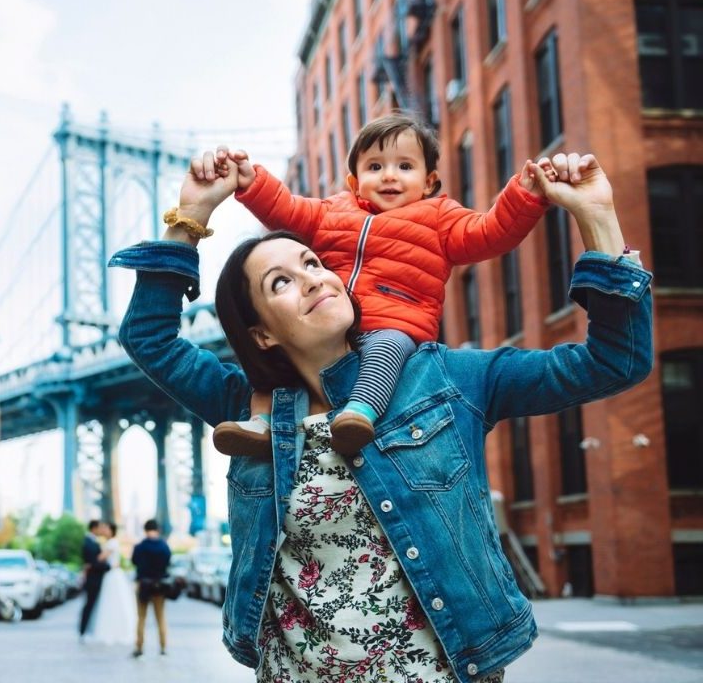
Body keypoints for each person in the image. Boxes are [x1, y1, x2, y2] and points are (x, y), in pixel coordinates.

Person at [109, 149, 652, 682]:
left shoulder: (445, 380)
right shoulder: (245, 411)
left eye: (313, 264)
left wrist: (598, 218)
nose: (313, 279)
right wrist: (191, 215)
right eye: (281, 283)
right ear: (262, 334)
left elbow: (614, 362)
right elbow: (149, 338)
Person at [211, 113, 550, 458]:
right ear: (355, 181)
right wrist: (253, 183)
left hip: (395, 323)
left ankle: (359, 413)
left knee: (385, 348)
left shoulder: (440, 218)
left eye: (405, 166)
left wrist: (524, 196)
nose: (389, 175)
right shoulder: (333, 211)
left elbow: (490, 232)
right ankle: (260, 424)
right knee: (280, 366)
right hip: (336, 325)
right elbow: (287, 209)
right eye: (375, 167)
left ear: (429, 181)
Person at [85, 522, 137, 646]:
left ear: (111, 530)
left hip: (112, 575)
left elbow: (100, 558)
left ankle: (114, 631)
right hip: (110, 574)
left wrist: (89, 563)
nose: (103, 530)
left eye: (106, 528)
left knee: (112, 602)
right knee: (110, 602)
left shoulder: (112, 543)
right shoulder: (109, 543)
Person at [131, 518, 172, 658]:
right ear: (158, 530)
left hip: (143, 585)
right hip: (159, 586)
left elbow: (134, 561)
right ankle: (163, 647)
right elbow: (168, 562)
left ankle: (139, 647)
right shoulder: (164, 546)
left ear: (145, 530)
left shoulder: (139, 547)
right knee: (160, 617)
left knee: (141, 617)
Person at [78, 519, 110, 639]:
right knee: (89, 605)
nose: (101, 530)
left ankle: (86, 631)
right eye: (100, 528)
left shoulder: (93, 541)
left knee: (92, 605)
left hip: (96, 579)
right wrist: (108, 566)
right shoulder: (88, 542)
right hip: (93, 580)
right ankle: (83, 631)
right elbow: (93, 563)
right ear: (94, 528)